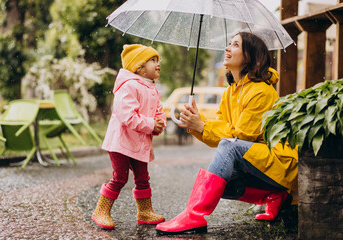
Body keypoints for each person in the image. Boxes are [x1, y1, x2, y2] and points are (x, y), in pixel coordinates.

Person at [156, 32, 298, 235]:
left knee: (228, 151)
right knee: (222, 178)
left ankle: (194, 215)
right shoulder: (230, 92)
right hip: (259, 164)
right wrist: (198, 123)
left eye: (235, 45)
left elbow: (241, 137)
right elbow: (223, 131)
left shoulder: (261, 91)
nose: (227, 48)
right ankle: (273, 195)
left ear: (249, 56)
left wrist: (203, 126)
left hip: (279, 163)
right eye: (228, 43)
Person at [92, 44, 166, 230]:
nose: (158, 64)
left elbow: (159, 112)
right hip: (121, 142)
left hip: (139, 143)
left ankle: (145, 212)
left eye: (158, 60)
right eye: (152, 60)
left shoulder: (152, 89)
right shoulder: (128, 86)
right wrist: (150, 124)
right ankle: (101, 210)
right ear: (139, 67)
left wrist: (159, 124)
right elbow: (127, 116)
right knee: (120, 177)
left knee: (143, 178)